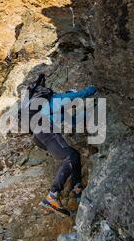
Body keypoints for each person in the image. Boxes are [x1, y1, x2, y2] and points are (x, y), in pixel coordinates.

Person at [27, 73, 96, 216]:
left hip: (39, 135)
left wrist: (90, 112)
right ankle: (52, 196)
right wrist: (95, 87)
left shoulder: (58, 110)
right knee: (70, 157)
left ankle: (76, 186)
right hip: (45, 129)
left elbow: (74, 121)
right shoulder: (58, 99)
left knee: (74, 155)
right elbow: (82, 94)